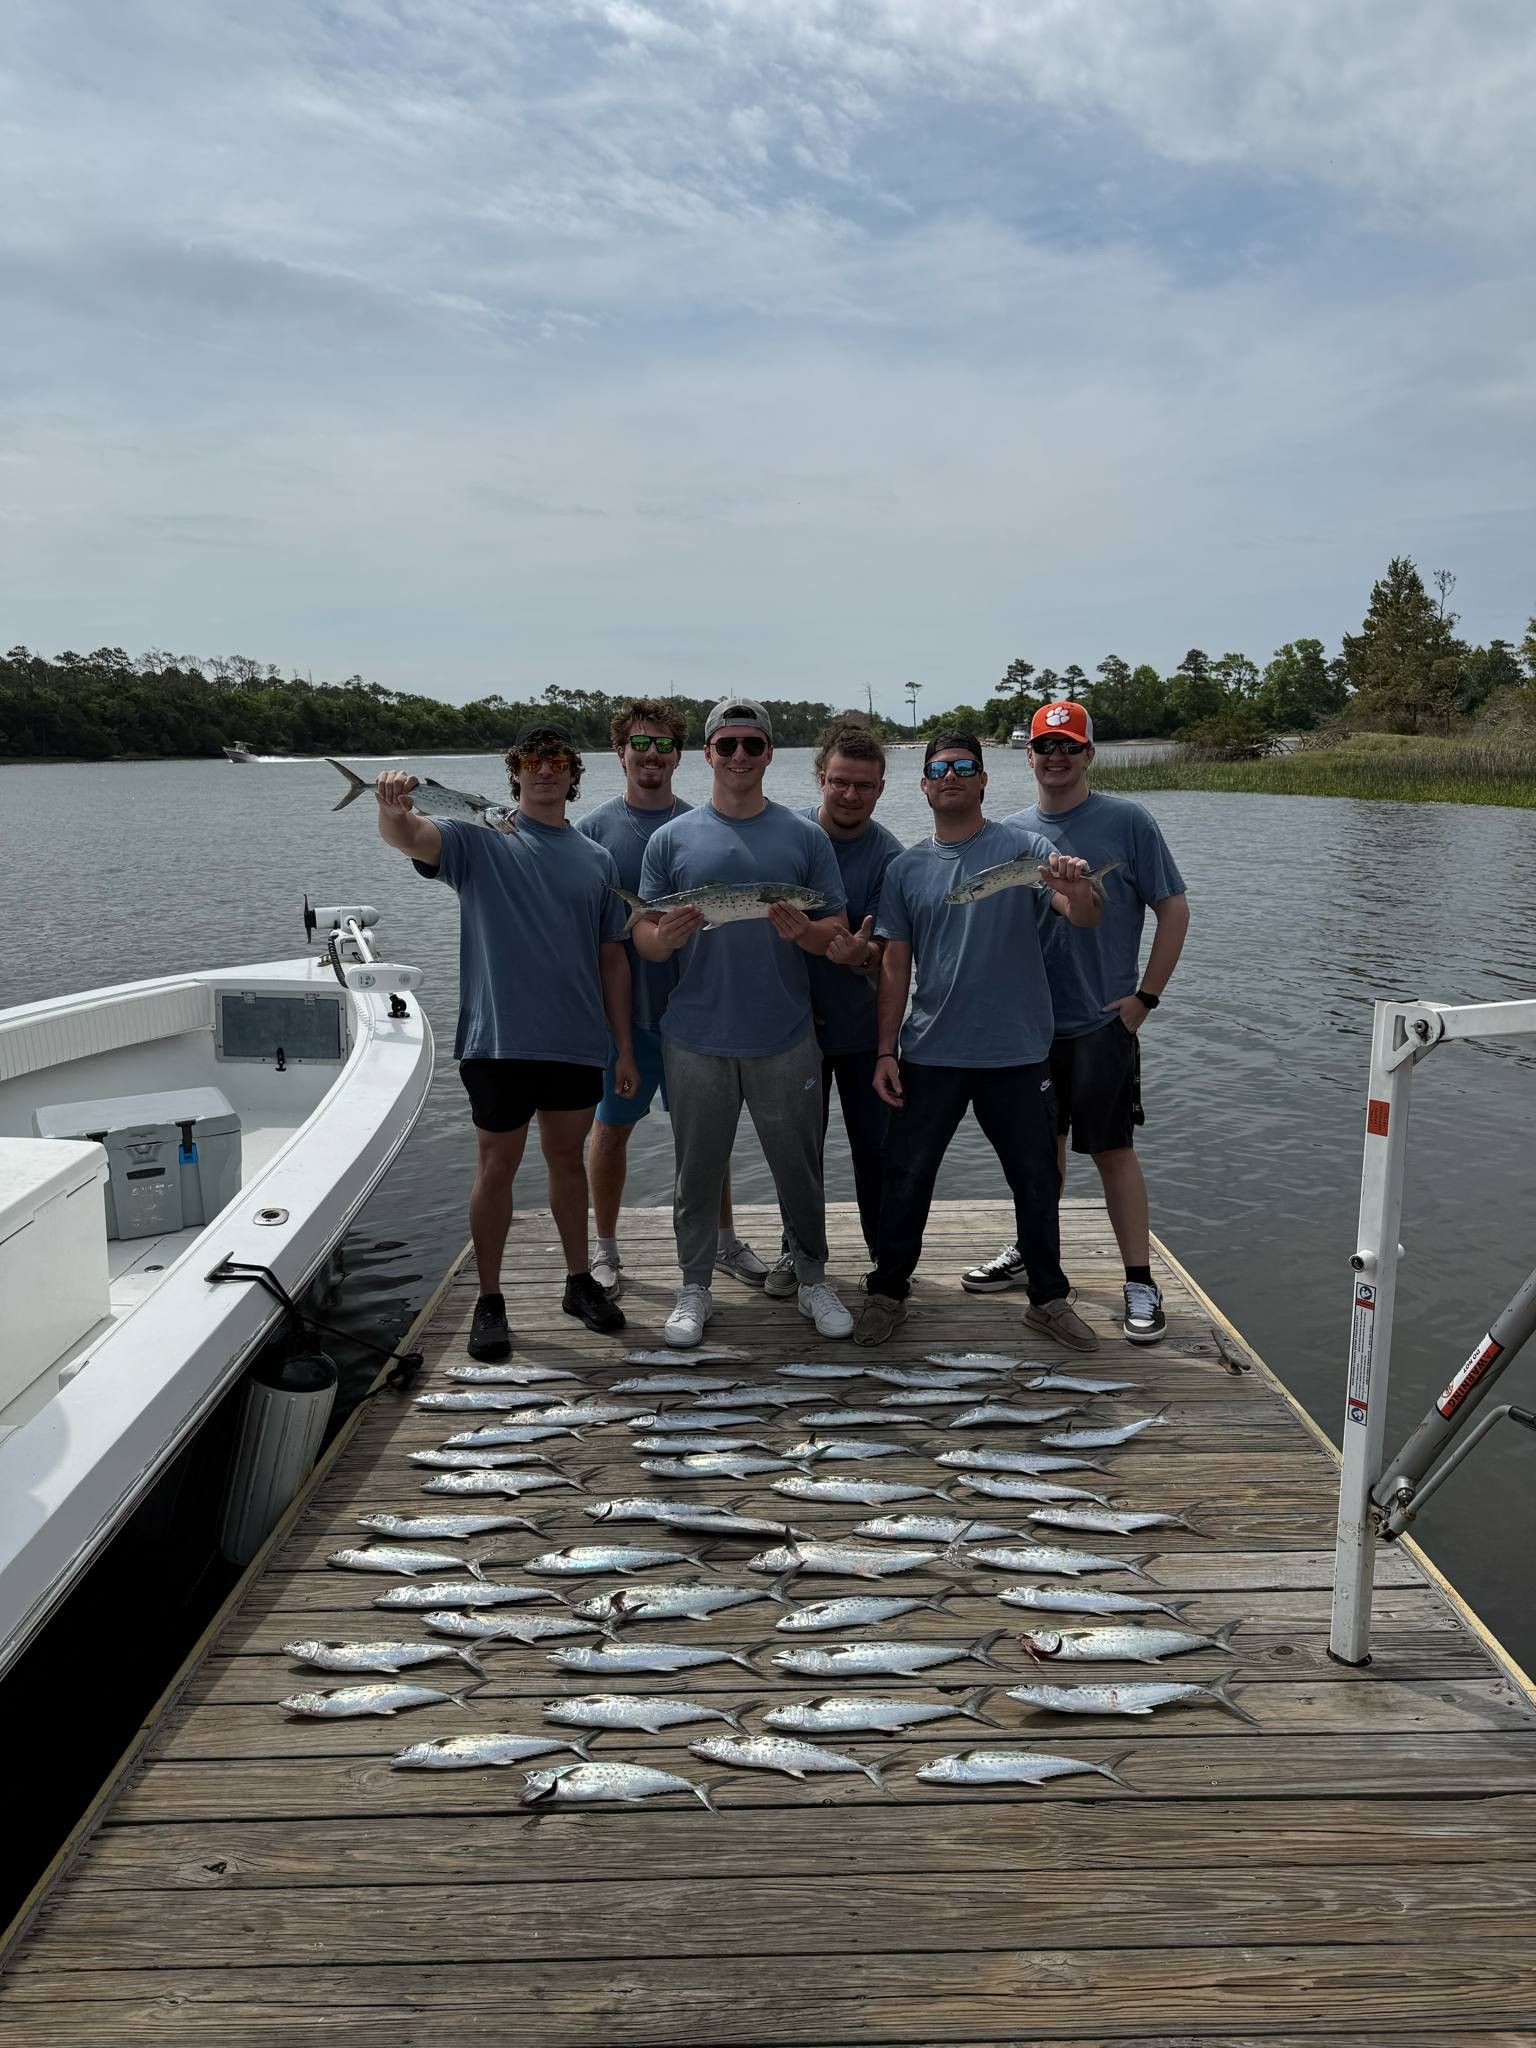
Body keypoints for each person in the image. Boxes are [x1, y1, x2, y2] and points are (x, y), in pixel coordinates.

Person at [374, 725, 633, 1358]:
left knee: (568, 1160)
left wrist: (623, 1046)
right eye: (532, 762)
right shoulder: (477, 838)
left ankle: (579, 1282)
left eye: (559, 763)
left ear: (575, 777)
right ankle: (490, 1299)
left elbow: (613, 961)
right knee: (497, 1165)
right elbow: (411, 836)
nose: (546, 772)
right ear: (514, 775)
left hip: (575, 1039)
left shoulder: (597, 859)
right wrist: (391, 806)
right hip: (498, 1039)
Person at [853, 729, 1102, 1350]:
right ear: (925, 784)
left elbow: (1085, 913)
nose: (953, 776)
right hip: (931, 1051)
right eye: (941, 768)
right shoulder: (905, 869)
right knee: (905, 1178)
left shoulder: (1029, 848)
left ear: (985, 779)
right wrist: (886, 1050)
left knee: (1037, 1180)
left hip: (1018, 1053)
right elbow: (894, 967)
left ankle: (1047, 1298)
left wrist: (1077, 890)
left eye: (966, 766)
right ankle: (887, 1291)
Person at [961, 698, 1189, 1345]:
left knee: (1113, 1151)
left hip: (1101, 1022)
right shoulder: (1006, 833)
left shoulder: (1127, 821)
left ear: (1088, 753)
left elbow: (1174, 911)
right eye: (1044, 747)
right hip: (1028, 1028)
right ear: (1028, 755)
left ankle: (1139, 1279)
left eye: (1068, 747)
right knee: (1039, 1157)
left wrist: (1145, 999)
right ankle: (1032, 1253)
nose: (1055, 758)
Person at [630, 697, 855, 1348]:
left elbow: (835, 929)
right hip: (694, 1037)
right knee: (695, 1172)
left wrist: (807, 931)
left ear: (768, 754)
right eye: (725, 745)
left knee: (799, 1167)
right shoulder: (669, 839)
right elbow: (644, 936)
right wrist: (664, 940)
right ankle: (694, 1286)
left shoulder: (804, 837)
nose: (738, 757)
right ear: (707, 754)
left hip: (785, 1035)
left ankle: (812, 1278)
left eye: (751, 745)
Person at [577, 698, 769, 1299]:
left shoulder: (703, 826)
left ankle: (725, 1240)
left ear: (683, 756)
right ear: (620, 753)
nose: (651, 755)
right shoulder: (591, 835)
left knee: (707, 1140)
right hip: (621, 1021)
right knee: (611, 1129)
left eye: (663, 745)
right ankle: (604, 1251)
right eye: (640, 744)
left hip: (695, 1016)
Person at [762, 720, 902, 1294]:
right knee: (799, 1155)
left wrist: (859, 954)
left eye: (863, 786)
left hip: (862, 1033)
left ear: (881, 788)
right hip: (792, 1030)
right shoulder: (788, 838)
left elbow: (888, 954)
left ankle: (885, 1261)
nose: (850, 795)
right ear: (820, 778)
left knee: (877, 1154)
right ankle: (797, 1252)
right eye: (840, 782)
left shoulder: (890, 855)